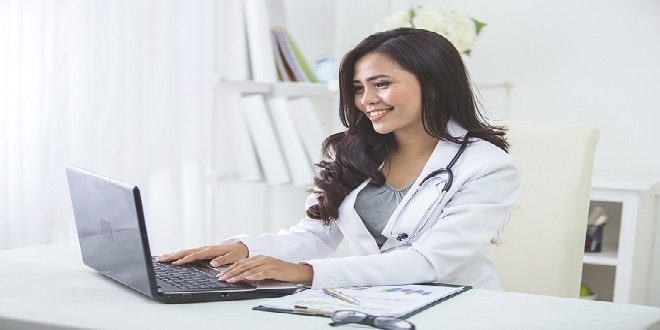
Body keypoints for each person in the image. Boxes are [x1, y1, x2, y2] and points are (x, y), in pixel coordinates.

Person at [158, 27, 520, 290]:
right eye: (359, 88)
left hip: (453, 307)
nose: (366, 100)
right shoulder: (356, 151)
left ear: (435, 85)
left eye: (381, 84)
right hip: (368, 302)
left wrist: (305, 272)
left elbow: (430, 261)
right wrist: (242, 249)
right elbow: (317, 234)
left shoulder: (487, 167)